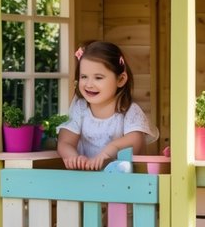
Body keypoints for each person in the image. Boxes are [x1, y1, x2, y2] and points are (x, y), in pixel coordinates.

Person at [57, 40, 157, 171]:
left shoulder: (129, 110)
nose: (89, 84)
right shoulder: (80, 108)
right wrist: (73, 157)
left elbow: (136, 141)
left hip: (122, 182)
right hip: (87, 176)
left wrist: (109, 151)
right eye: (84, 76)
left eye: (98, 78)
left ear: (120, 80)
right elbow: (65, 142)